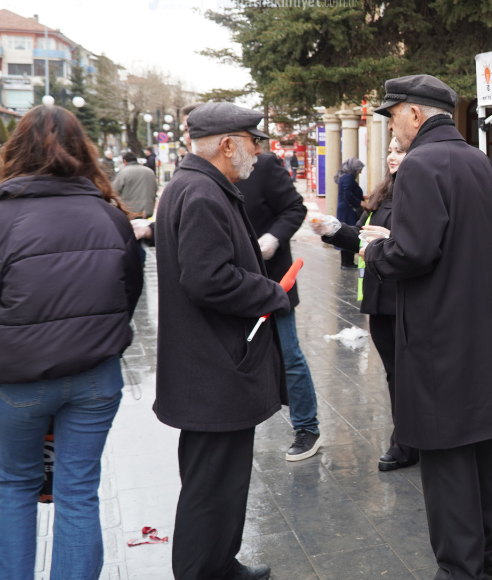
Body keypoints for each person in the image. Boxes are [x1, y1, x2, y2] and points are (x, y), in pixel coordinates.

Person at [0, 105, 143, 580]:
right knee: (78, 490)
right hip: (95, 378)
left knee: (17, 484)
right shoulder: (110, 216)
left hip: (20, 380)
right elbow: (128, 297)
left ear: (13, 150)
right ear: (84, 150)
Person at [366, 75, 492, 580]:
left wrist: (375, 248)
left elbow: (413, 252)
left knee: (446, 459)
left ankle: (460, 569)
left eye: (393, 116)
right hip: (484, 334)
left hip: (439, 341)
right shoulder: (479, 161)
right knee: (483, 452)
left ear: (414, 113)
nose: (393, 126)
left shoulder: (420, 165)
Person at [154, 102, 289, 580]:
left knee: (220, 482)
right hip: (211, 369)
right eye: (253, 140)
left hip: (210, 366)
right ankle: (203, 571)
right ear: (229, 144)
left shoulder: (198, 186)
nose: (258, 150)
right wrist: (271, 291)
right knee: (211, 486)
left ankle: (219, 565)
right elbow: (208, 279)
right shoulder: (202, 192)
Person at [314, 137, 417, 472]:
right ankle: (407, 439)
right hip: (379, 297)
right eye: (389, 149)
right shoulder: (383, 192)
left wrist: (391, 241)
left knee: (408, 375)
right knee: (393, 374)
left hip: (406, 296)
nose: (391, 156)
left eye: (399, 150)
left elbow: (421, 242)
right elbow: (362, 235)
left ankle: (406, 442)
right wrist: (333, 230)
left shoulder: (420, 190)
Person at [236, 150, 322, 461]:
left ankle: (307, 426)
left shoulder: (264, 164)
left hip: (273, 282)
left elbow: (294, 207)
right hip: (230, 286)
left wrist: (274, 237)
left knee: (288, 355)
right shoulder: (201, 176)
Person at [336, 157, 366, 268]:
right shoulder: (348, 178)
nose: (360, 172)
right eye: (359, 169)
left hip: (347, 209)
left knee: (347, 231)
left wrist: (363, 197)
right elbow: (348, 194)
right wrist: (360, 203)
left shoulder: (346, 177)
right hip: (348, 210)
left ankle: (347, 262)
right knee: (348, 233)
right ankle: (347, 262)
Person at [113, 151, 158, 218]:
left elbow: (114, 190)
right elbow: (155, 188)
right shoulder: (149, 171)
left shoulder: (124, 172)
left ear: (125, 161)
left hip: (130, 210)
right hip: (147, 210)